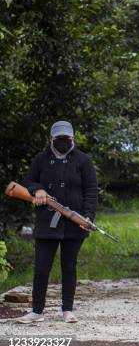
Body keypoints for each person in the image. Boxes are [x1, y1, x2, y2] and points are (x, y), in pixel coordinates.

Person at [14, 121, 98, 324]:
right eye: (58, 138)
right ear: (51, 139)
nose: (62, 141)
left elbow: (91, 191)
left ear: (73, 138)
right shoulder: (40, 159)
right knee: (41, 267)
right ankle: (36, 311)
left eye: (66, 138)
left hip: (74, 222)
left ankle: (67, 310)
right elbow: (29, 182)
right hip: (46, 222)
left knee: (69, 266)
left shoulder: (83, 160)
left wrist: (87, 217)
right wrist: (38, 189)